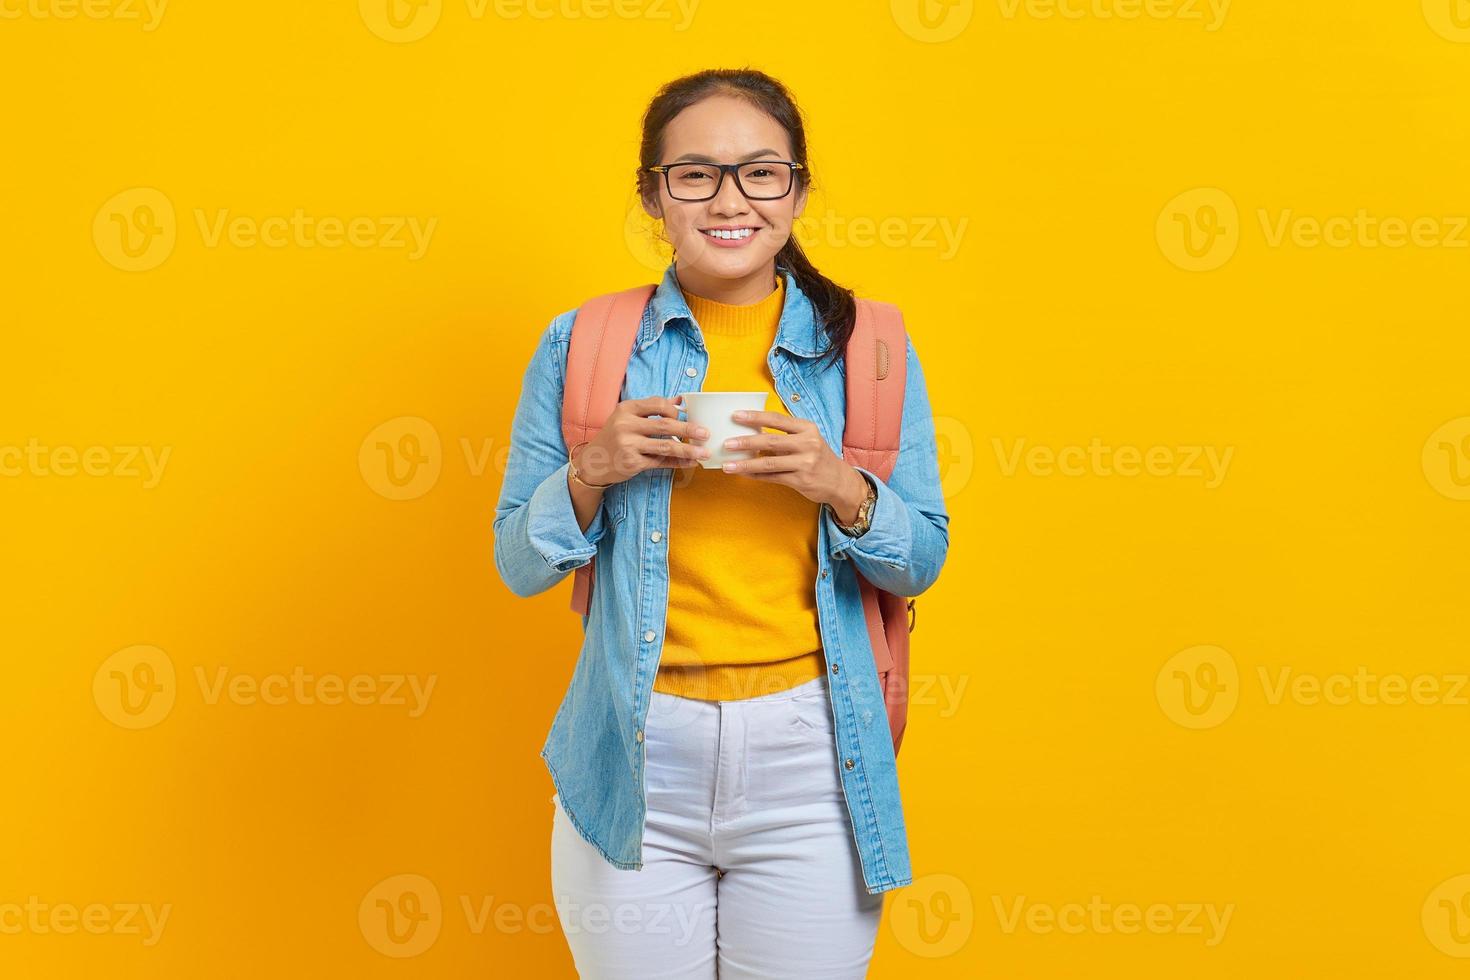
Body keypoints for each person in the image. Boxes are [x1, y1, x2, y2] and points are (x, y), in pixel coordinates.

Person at [492, 67, 950, 979]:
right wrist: (592, 471)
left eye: (760, 172)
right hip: (632, 754)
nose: (729, 199)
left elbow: (923, 558)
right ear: (655, 197)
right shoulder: (581, 344)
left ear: (799, 189)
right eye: (695, 174)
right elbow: (518, 563)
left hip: (813, 760)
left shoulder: (873, 346)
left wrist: (840, 485)